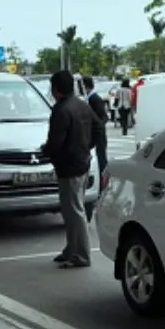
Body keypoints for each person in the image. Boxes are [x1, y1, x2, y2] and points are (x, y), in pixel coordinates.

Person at [42, 69, 94, 269]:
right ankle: (72, 249)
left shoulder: (61, 110)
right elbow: (98, 128)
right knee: (71, 209)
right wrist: (86, 149)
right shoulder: (82, 105)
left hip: (69, 165)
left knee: (74, 211)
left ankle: (80, 254)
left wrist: (45, 151)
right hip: (82, 162)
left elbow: (56, 141)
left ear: (56, 88)